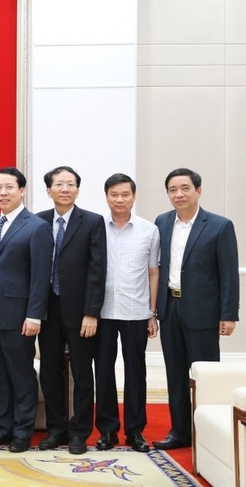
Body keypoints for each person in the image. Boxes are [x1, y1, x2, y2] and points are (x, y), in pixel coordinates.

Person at [152, 168, 239, 450]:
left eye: (185, 188)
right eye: (173, 190)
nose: (179, 194)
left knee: (203, 374)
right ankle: (180, 431)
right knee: (175, 373)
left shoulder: (219, 225)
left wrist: (228, 314)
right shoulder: (162, 223)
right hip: (169, 307)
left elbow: (228, 274)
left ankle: (207, 435)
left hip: (203, 312)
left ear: (198, 191)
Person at [0, 167, 52, 453]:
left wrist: (34, 315)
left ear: (22, 190)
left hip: (20, 317)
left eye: (9, 187)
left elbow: (40, 275)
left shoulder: (36, 226)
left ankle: (22, 431)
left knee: (21, 374)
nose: (3, 193)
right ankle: (3, 427)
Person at [36, 166, 106, 455]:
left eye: (71, 184)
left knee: (81, 374)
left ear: (78, 189)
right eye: (59, 184)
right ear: (48, 190)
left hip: (80, 314)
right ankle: (56, 428)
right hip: (47, 309)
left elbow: (97, 270)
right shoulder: (38, 222)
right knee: (50, 372)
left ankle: (79, 432)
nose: (65, 189)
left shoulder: (92, 222)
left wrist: (91, 313)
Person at [94, 174, 159, 453]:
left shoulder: (149, 230)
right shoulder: (96, 228)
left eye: (125, 194)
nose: (119, 200)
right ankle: (107, 430)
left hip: (136, 311)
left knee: (136, 372)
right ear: (106, 196)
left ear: (134, 196)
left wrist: (152, 312)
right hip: (102, 312)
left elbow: (153, 272)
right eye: (114, 195)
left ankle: (135, 430)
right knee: (104, 372)